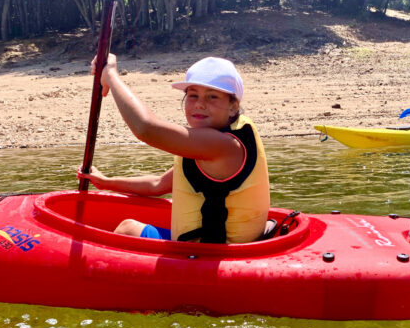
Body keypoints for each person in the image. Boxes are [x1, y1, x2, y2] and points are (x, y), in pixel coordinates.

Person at [77, 55, 270, 243]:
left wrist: (110, 75)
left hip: (210, 257)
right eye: (193, 95)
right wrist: (106, 183)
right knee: (129, 226)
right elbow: (158, 184)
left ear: (233, 107)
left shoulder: (224, 146)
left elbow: (146, 129)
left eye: (212, 97)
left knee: (127, 229)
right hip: (206, 249)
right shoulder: (211, 145)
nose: (200, 104)